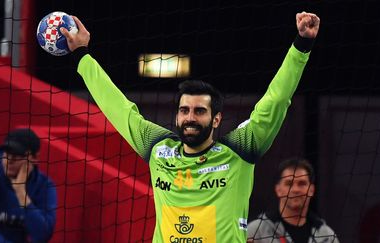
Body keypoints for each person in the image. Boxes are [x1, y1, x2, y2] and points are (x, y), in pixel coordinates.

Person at [61, 11, 320, 243]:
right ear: (177, 117)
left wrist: (301, 46)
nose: (190, 117)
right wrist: (83, 56)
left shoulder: (239, 151)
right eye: (184, 110)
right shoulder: (159, 149)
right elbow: (117, 107)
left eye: (199, 111)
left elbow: (275, 100)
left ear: (216, 119)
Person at [246, 158, 339, 243]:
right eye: (289, 184)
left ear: (311, 190)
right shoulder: (256, 232)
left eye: (302, 183)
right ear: (278, 190)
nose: (295, 190)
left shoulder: (327, 236)